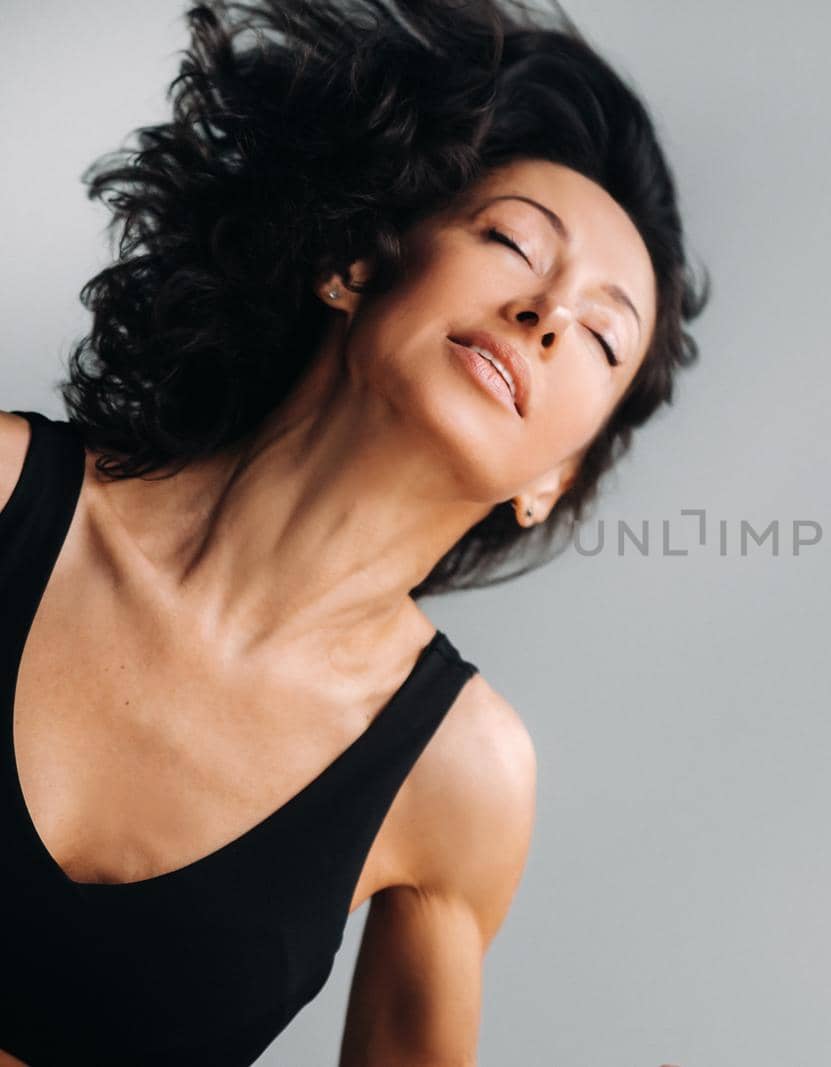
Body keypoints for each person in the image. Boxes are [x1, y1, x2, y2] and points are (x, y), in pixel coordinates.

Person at [0, 0, 707, 1063]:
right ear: (357, 263)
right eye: (513, 240)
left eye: (602, 336)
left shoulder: (461, 774)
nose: (548, 311)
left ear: (552, 481)